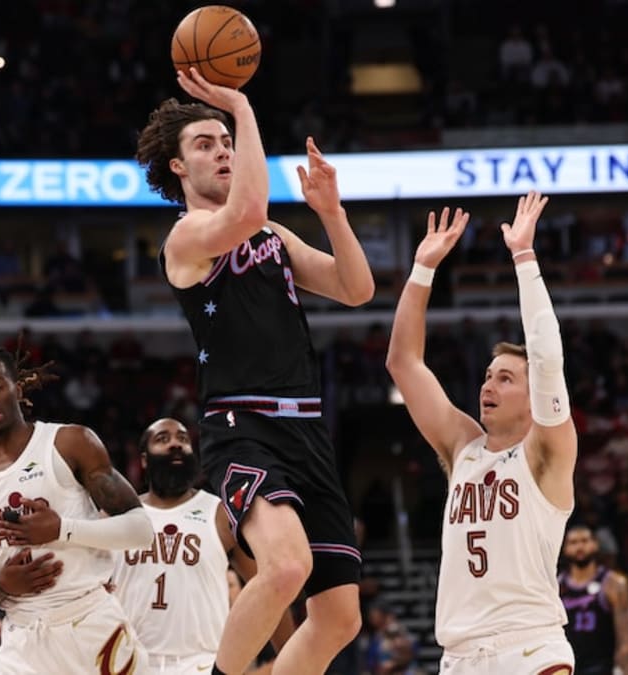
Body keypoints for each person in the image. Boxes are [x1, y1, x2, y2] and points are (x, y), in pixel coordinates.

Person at [136, 69, 374, 675]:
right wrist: (240, 108)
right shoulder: (186, 238)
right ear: (177, 169)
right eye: (206, 144)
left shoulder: (271, 233)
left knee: (341, 618)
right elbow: (245, 211)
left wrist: (332, 210)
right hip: (243, 427)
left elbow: (355, 288)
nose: (222, 150)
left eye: (226, 141)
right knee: (286, 566)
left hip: (308, 432)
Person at [385, 192, 578, 673]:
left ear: (535, 398)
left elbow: (547, 358)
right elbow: (403, 363)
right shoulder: (463, 447)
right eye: (488, 375)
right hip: (460, 656)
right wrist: (422, 271)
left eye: (506, 378)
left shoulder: (548, 451)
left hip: (530, 647)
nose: (488, 385)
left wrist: (525, 258)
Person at [0, 344, 154, 675]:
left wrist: (62, 530)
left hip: (90, 623)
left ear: (18, 387)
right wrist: (1, 588)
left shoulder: (69, 443)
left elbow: (141, 530)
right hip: (23, 641)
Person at [110, 418, 294, 673]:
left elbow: (267, 589)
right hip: (126, 663)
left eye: (183, 439)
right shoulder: (118, 515)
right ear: (143, 459)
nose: (175, 444)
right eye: (163, 439)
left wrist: (291, 656)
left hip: (201, 664)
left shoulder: (219, 512)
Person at [560, 524, 628, 675]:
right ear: (565, 549)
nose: (580, 546)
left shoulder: (613, 583)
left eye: (585, 541)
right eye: (573, 542)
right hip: (565, 665)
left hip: (599, 666)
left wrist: (626, 670)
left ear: (595, 545)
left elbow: (625, 639)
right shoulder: (555, 586)